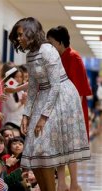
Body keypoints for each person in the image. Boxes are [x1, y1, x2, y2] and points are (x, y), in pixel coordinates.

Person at [8, 17, 90, 191]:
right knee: (35, 147)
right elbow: (32, 87)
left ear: (31, 32)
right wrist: (26, 115)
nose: (19, 38)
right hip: (44, 96)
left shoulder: (47, 50)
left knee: (45, 146)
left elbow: (56, 85)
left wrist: (43, 118)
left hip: (61, 98)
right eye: (17, 36)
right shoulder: (30, 55)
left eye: (21, 34)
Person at [47, 25, 92, 191]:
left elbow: (78, 90)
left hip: (72, 111)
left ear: (60, 42)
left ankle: (74, 183)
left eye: (51, 42)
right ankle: (62, 183)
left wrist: (71, 116)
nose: (49, 46)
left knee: (71, 148)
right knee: (60, 147)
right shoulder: (58, 58)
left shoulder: (73, 57)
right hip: (59, 109)